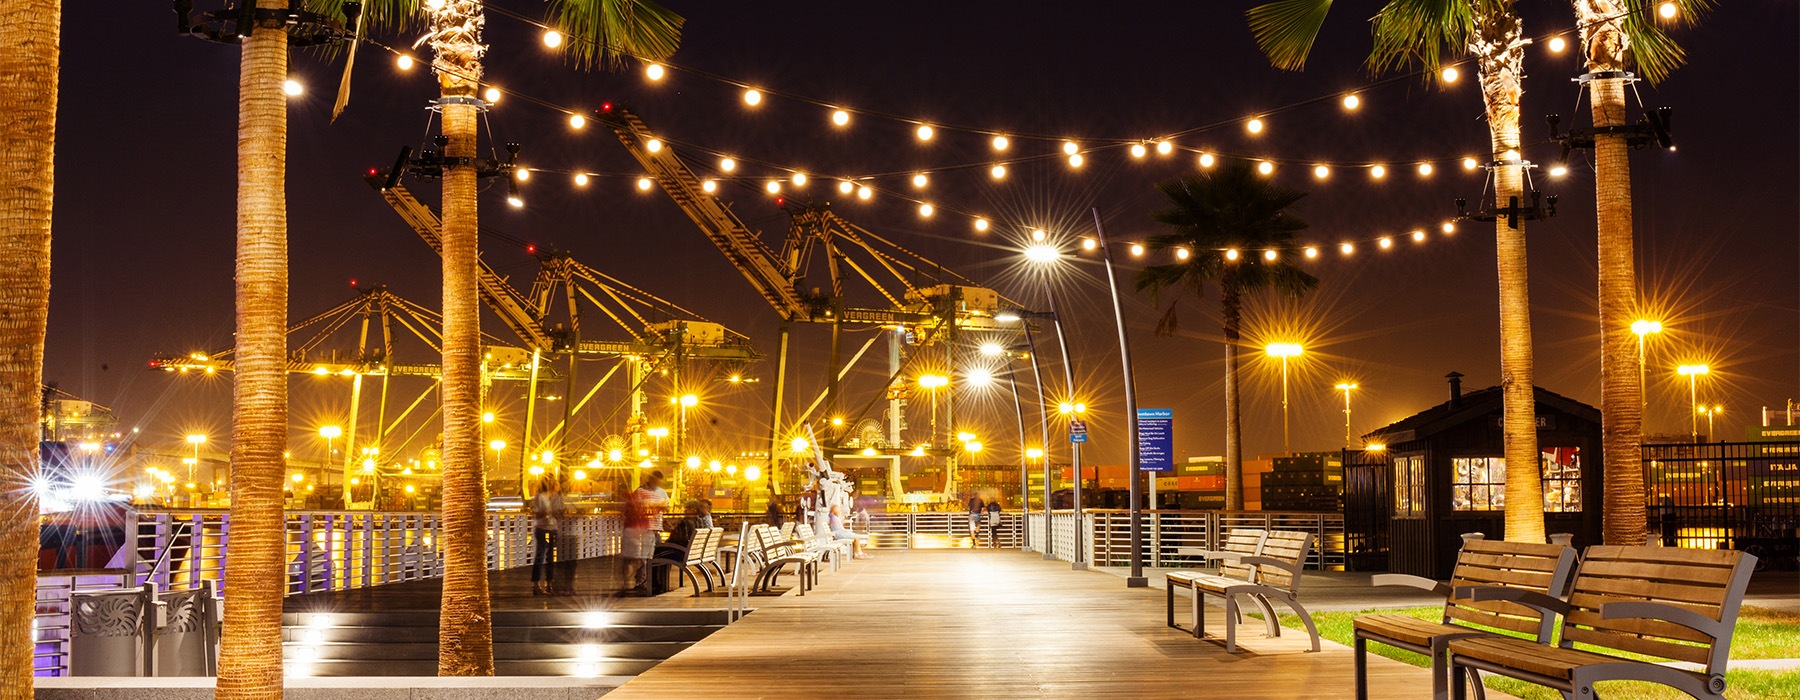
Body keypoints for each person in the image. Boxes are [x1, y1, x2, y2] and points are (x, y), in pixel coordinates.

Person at [620, 471, 669, 596]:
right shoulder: (640, 491)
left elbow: (667, 507)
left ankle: (649, 581)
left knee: (651, 557)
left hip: (656, 528)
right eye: (655, 480)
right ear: (651, 479)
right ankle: (640, 581)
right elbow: (638, 509)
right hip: (643, 529)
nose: (657, 483)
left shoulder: (662, 492)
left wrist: (661, 508)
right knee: (642, 557)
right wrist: (654, 507)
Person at [529, 477, 565, 596]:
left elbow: (560, 513)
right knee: (540, 556)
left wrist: (559, 513)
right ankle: (536, 585)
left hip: (552, 528)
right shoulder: (540, 497)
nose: (557, 485)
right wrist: (548, 512)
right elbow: (537, 514)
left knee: (551, 557)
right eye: (555, 483)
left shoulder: (555, 497)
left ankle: (550, 584)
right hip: (542, 528)